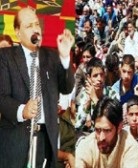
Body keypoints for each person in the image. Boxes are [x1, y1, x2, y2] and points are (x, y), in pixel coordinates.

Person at [0, 7, 75, 168]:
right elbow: (2, 96)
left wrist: (65, 58)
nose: (35, 29)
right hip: (15, 141)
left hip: (45, 140)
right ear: (17, 32)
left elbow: (66, 88)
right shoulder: (5, 57)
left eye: (36, 24)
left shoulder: (52, 57)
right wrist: (22, 111)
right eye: (29, 26)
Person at [75, 98, 138, 167]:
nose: (101, 138)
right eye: (98, 130)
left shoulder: (131, 148)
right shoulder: (86, 145)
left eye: (107, 130)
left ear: (119, 127)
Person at [75, 57, 118, 133]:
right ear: (89, 78)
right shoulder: (85, 95)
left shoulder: (112, 93)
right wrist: (87, 106)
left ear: (104, 75)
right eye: (95, 76)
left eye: (101, 75)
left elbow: (113, 119)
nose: (99, 79)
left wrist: (95, 99)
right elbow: (77, 126)